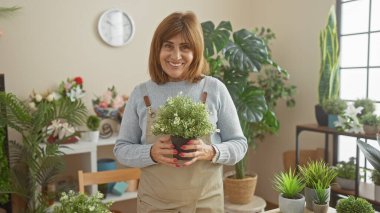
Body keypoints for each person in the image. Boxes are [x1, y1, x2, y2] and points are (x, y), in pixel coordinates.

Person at [114, 11, 247, 212]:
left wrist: (211, 151)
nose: (176, 56)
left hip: (205, 204)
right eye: (168, 46)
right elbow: (121, 149)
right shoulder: (141, 93)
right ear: (157, 49)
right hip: (155, 205)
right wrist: (150, 152)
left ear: (196, 51)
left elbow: (240, 145)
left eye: (185, 47)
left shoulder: (214, 89)